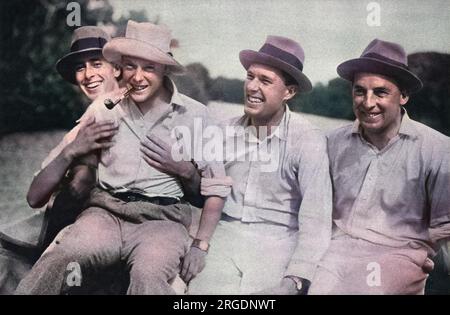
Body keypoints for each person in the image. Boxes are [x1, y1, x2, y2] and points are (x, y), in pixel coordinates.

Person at [15, 20, 232, 295]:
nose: (138, 77)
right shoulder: (105, 108)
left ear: (164, 69)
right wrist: (75, 155)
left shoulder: (196, 116)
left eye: (149, 67)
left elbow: (216, 188)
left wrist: (200, 246)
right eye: (131, 66)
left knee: (149, 272)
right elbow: (38, 193)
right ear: (122, 66)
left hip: (162, 221)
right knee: (62, 254)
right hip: (105, 214)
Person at [188, 36, 332, 295]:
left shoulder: (307, 140)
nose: (252, 87)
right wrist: (199, 245)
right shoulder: (222, 131)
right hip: (224, 236)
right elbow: (207, 195)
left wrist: (294, 279)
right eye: (250, 76)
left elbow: (316, 221)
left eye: (265, 81)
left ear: (289, 92)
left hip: (279, 242)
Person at [308, 39, 450, 295]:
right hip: (336, 250)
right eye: (360, 91)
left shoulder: (437, 149)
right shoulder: (331, 142)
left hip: (399, 254)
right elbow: (312, 207)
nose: (368, 102)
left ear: (403, 95)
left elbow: (445, 228)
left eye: (380, 92)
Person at [0, 26, 121, 294]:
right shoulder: (82, 128)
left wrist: (83, 166)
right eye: (80, 67)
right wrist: (72, 151)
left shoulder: (128, 108)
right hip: (67, 226)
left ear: (116, 68)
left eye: (97, 63)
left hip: (106, 232)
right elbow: (35, 197)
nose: (88, 75)